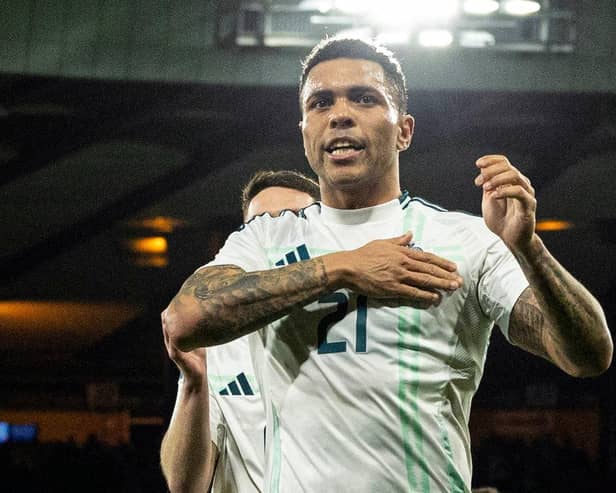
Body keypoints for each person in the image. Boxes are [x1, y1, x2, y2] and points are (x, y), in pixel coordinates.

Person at [162, 37, 612, 492]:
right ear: (305, 134)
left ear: (405, 131)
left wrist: (528, 249)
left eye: (364, 98)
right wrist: (344, 268)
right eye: (320, 103)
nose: (339, 113)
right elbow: (185, 320)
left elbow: (589, 355)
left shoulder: (466, 240)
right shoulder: (265, 238)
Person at [160, 170, 320, 493]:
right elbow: (185, 486)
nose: (273, 237)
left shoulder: (353, 332)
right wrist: (195, 384)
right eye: (259, 225)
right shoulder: (215, 347)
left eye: (291, 221)